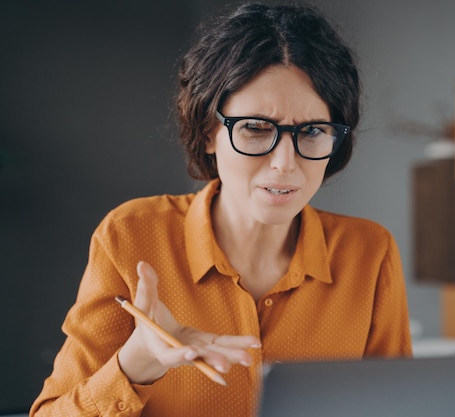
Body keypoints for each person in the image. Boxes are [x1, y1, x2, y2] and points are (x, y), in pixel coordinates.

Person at [30, 2, 412, 416]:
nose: (285, 163)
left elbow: (400, 406)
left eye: (314, 131)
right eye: (254, 128)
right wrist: (136, 364)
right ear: (209, 131)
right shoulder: (130, 236)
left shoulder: (370, 251)